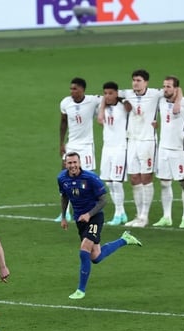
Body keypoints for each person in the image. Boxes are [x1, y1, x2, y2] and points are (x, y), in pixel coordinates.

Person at [58, 152, 143, 300]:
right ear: (66, 164)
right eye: (69, 163)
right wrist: (64, 217)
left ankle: (81, 290)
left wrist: (89, 214)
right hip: (80, 220)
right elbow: (65, 196)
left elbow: (104, 200)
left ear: (80, 163)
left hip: (95, 217)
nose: (72, 165)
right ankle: (124, 239)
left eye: (75, 162)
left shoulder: (91, 178)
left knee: (84, 250)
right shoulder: (62, 178)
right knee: (95, 257)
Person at [118, 69, 181, 228]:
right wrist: (124, 102)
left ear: (146, 82)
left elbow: (177, 89)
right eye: (133, 80)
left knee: (146, 178)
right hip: (131, 140)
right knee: (134, 179)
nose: (135, 83)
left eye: (138, 80)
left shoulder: (155, 94)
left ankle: (145, 217)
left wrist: (178, 102)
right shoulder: (127, 93)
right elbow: (110, 94)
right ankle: (138, 216)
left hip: (148, 141)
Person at [153, 76, 184, 228]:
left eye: (169, 86)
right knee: (164, 183)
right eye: (164, 86)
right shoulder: (161, 101)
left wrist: (178, 100)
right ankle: (167, 217)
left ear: (176, 89)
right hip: (163, 149)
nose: (165, 89)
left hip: (179, 151)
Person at [57, 77, 101, 222]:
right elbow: (63, 122)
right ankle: (66, 212)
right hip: (72, 144)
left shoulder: (93, 100)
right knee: (66, 176)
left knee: (87, 177)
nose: (72, 91)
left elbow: (110, 98)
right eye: (71, 88)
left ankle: (91, 207)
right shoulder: (65, 103)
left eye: (75, 89)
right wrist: (62, 143)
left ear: (83, 89)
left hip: (87, 146)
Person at [98, 81, 132, 226]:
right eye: (105, 93)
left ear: (117, 93)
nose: (107, 96)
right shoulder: (103, 107)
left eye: (111, 93)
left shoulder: (123, 106)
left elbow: (130, 107)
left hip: (121, 147)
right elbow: (100, 120)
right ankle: (122, 213)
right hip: (107, 148)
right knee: (109, 182)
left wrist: (123, 98)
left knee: (117, 182)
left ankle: (118, 214)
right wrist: (102, 105)